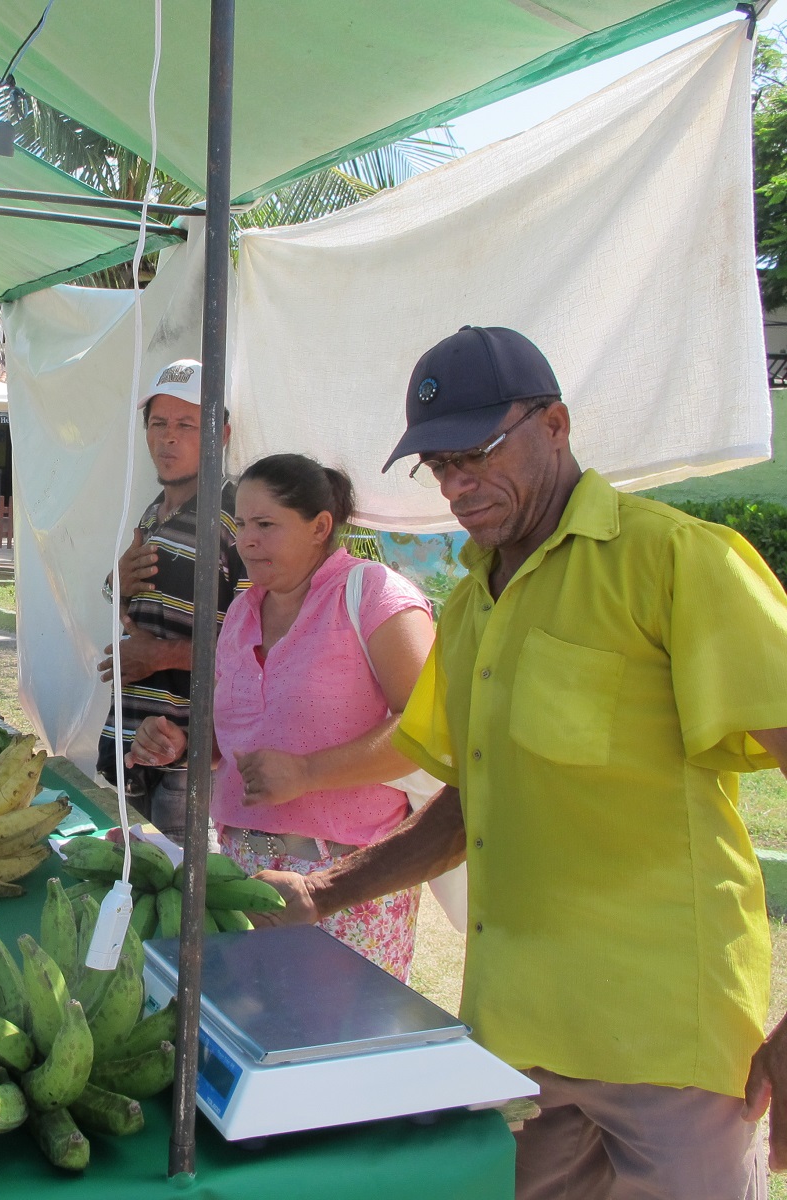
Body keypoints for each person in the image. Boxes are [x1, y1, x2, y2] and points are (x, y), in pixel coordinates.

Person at [256, 325, 787, 1198]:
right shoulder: (469, 610)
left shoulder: (673, 563)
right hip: (515, 1046)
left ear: (556, 425)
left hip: (667, 1042)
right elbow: (473, 803)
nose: (459, 486)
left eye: (478, 453)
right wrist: (321, 892)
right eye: (439, 465)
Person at [127, 455, 434, 979]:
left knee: (332, 1043)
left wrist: (309, 772)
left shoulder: (376, 595)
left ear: (320, 527)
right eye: (242, 525)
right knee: (246, 1027)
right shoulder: (243, 612)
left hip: (346, 883)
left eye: (265, 525)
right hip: (238, 872)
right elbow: (237, 735)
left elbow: (429, 728)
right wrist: (181, 741)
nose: (246, 541)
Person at [95, 358, 244, 841]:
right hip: (132, 740)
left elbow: (263, 640)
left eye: (186, 424)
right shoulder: (154, 512)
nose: (168, 438)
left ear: (219, 434)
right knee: (125, 884)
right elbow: (134, 608)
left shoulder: (239, 516)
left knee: (174, 894)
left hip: (190, 751)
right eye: (158, 424)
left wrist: (162, 656)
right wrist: (115, 582)